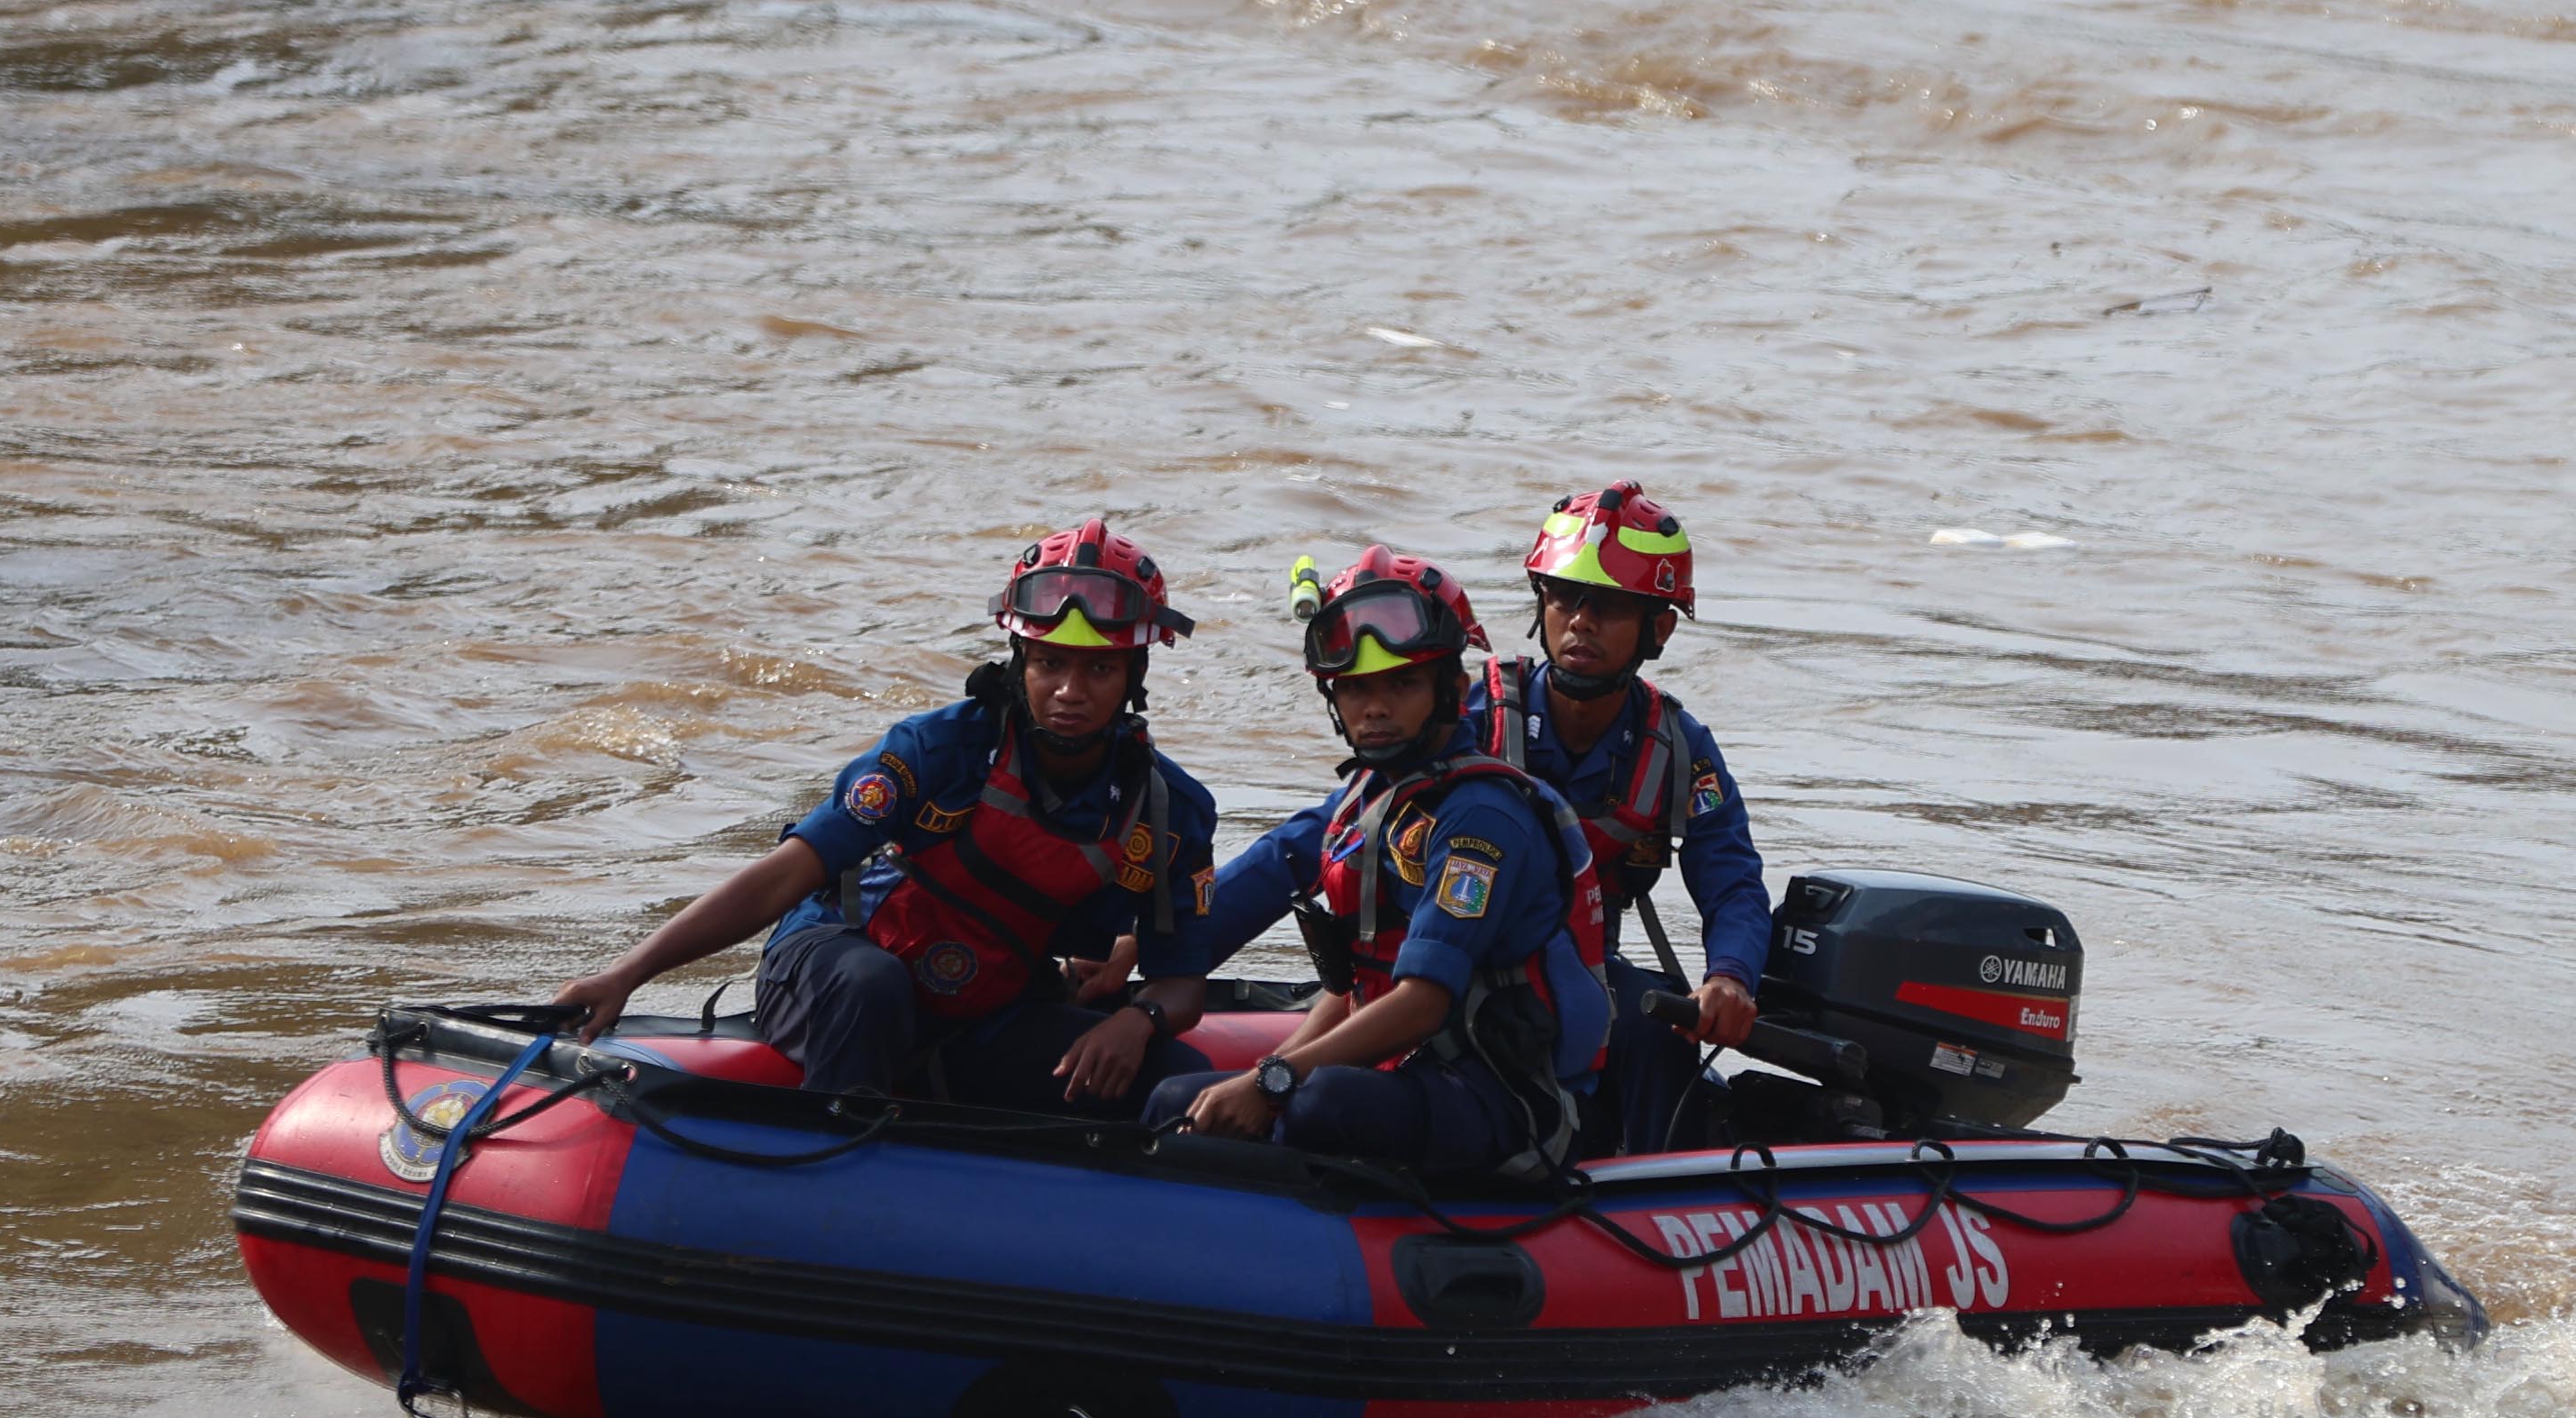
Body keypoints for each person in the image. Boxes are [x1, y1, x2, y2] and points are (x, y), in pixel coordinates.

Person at [547, 520, 1219, 1115]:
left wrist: (1139, 1021)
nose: (1070, 691)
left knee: (1177, 1078)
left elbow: (1181, 982)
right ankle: (830, 1169)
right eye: (1049, 663)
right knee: (875, 988)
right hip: (837, 964)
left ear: (1133, 675)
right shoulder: (939, 750)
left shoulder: (1168, 811)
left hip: (984, 1008)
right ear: (1021, 663)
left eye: (1099, 670)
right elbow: (784, 875)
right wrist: (626, 974)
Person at [1147, 547, 1610, 1177]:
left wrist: (1271, 1083)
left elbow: (1420, 1003)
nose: (1376, 707)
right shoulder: (1373, 799)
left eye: (1402, 683)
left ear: (1454, 691)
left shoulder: (1481, 819)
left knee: (1320, 1102)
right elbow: (1353, 991)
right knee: (1177, 1101)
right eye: (1357, 688)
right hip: (1413, 1074)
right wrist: (1263, 1074)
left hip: (1501, 1094)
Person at [1473, 479, 1773, 1154]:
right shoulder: (1471, 720)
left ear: (1658, 627)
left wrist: (1728, 976)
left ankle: (1663, 1215)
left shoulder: (1680, 749)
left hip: (1589, 976)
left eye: (1606, 605)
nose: (1579, 620)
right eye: (1562, 597)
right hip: (1459, 957)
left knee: (1661, 1031)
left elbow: (1734, 885)